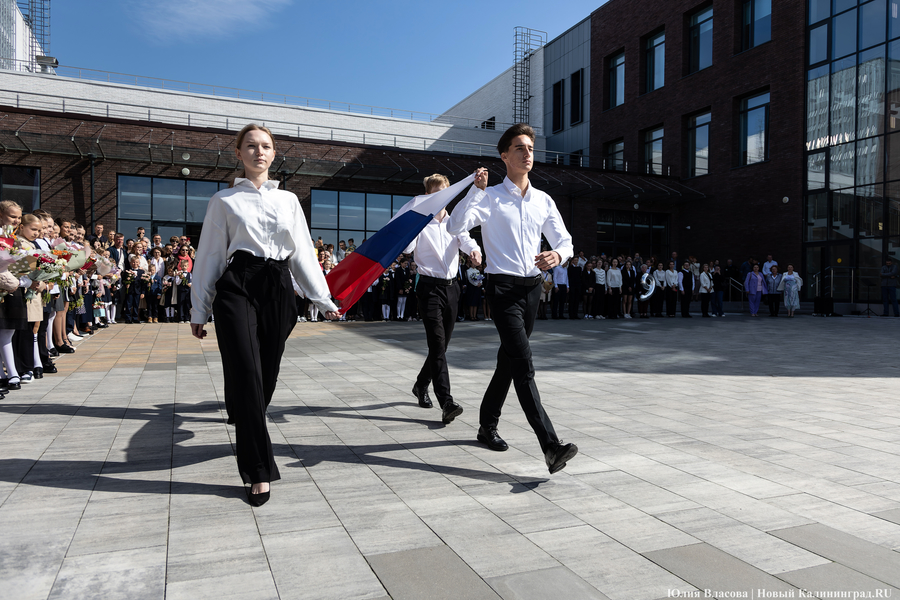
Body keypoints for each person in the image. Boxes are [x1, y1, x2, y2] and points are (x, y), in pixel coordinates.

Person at [191, 123, 339, 507]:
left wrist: (323, 299)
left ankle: (244, 407)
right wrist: (199, 308)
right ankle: (258, 469)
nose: (259, 152)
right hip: (237, 284)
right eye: (251, 146)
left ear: (274, 153)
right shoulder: (223, 200)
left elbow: (302, 252)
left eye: (266, 146)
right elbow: (209, 255)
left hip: (278, 286)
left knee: (265, 375)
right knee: (248, 372)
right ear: (238, 153)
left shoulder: (288, 200)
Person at [447, 123, 577, 474]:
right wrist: (475, 192)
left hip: (532, 289)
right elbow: (454, 226)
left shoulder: (543, 200)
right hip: (502, 289)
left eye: (530, 148)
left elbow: (565, 242)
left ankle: (486, 425)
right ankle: (550, 446)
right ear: (504, 156)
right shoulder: (489, 197)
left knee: (509, 361)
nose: (527, 153)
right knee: (523, 363)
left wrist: (557, 255)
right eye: (519, 148)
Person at [405, 173, 482, 424]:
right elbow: (406, 248)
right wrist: (413, 219)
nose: (442, 197)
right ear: (428, 195)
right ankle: (446, 401)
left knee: (442, 345)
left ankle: (421, 384)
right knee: (437, 344)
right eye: (436, 192)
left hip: (452, 289)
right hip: (428, 289)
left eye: (445, 192)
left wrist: (474, 250)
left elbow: (466, 240)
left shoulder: (454, 222)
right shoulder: (420, 222)